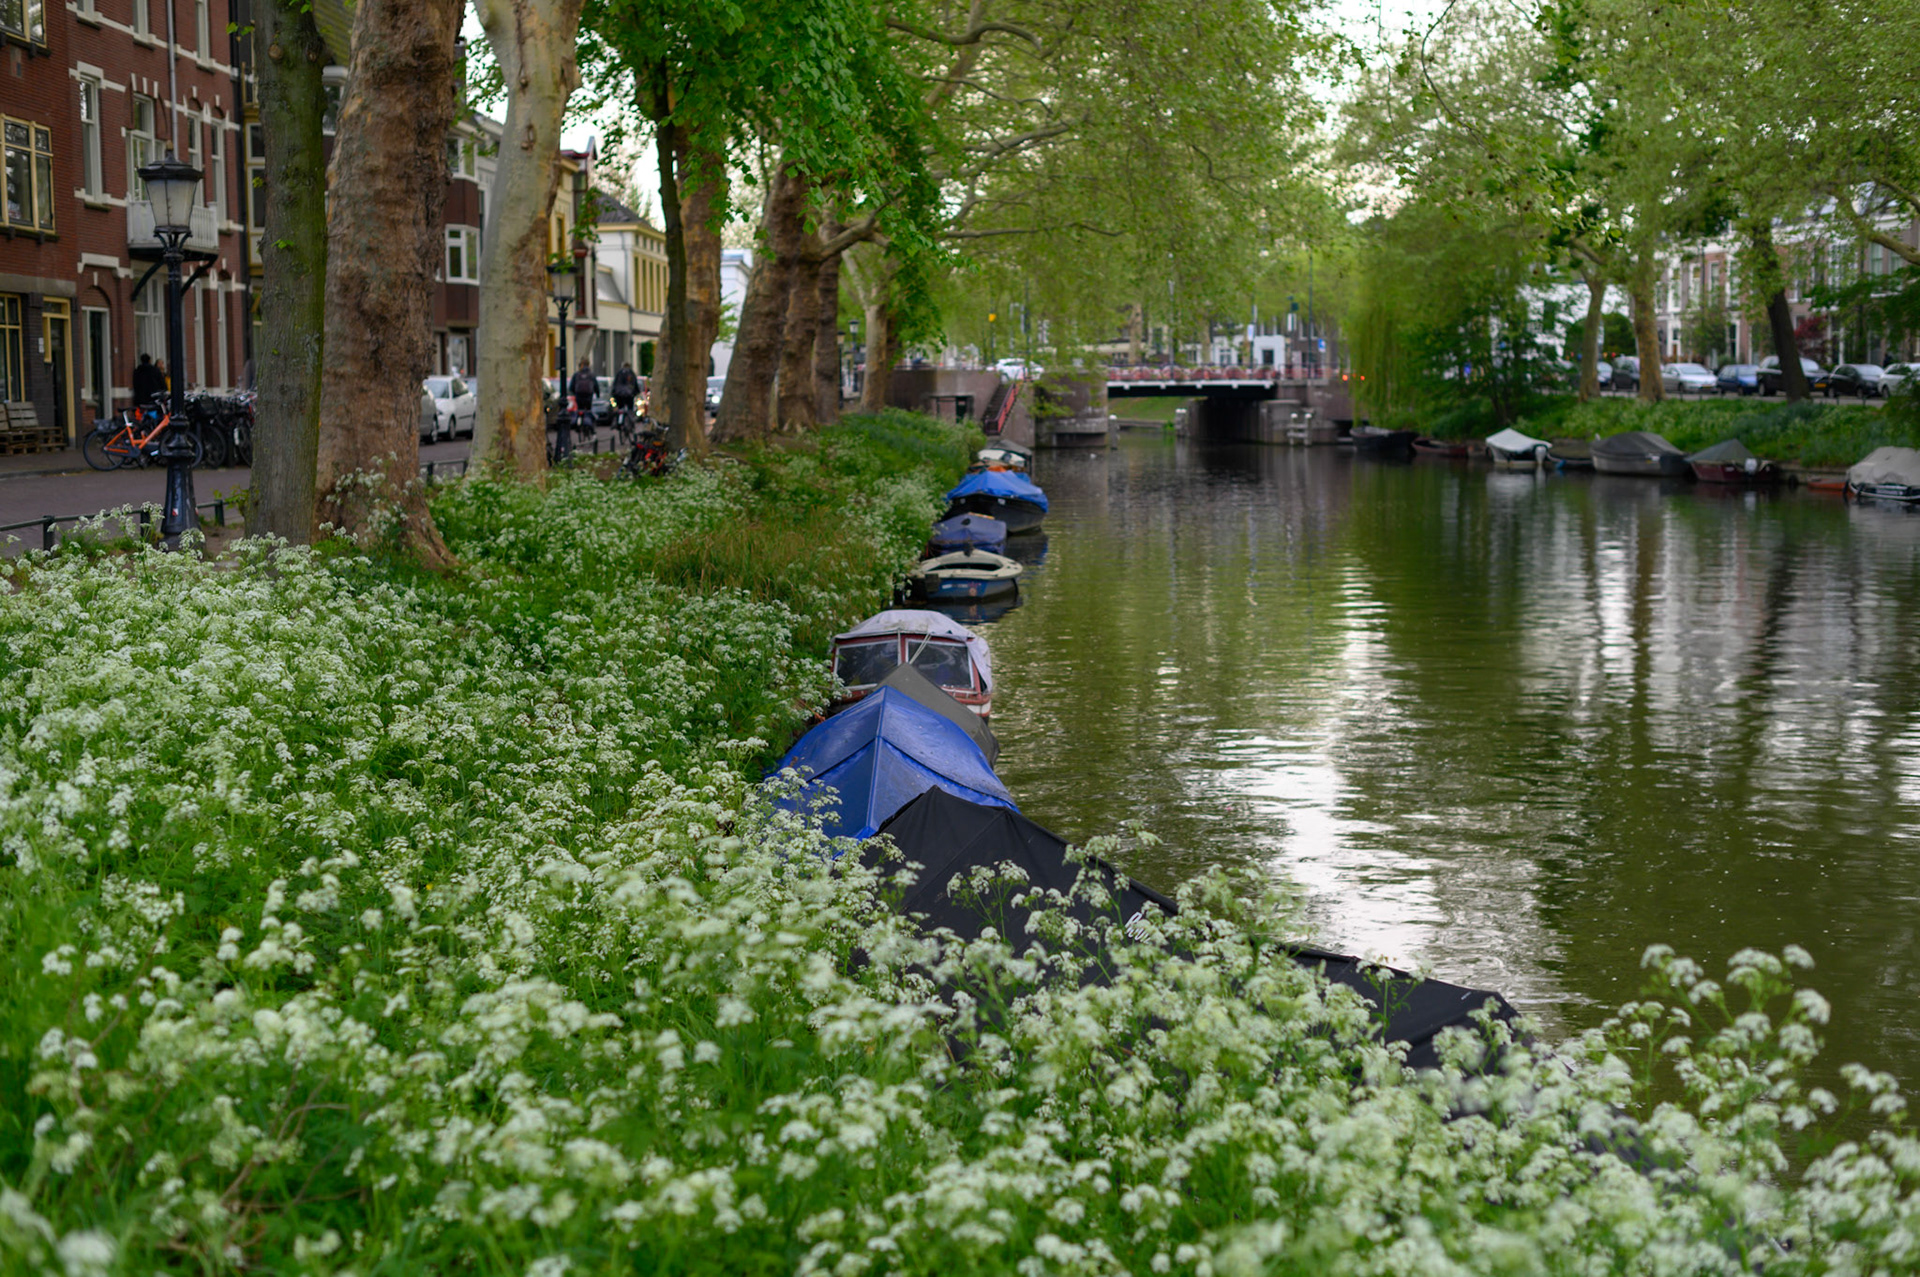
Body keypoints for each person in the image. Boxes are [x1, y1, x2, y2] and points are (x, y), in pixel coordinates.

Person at [568, 357, 597, 423]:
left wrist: (574, 393)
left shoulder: (576, 374)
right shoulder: (591, 375)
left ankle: (578, 421)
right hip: (588, 395)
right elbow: (596, 385)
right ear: (588, 365)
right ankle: (589, 425)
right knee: (588, 410)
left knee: (580, 409)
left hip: (579, 395)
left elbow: (572, 386)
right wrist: (597, 393)